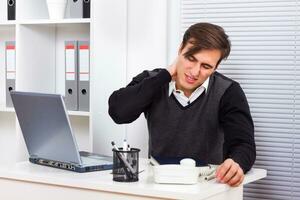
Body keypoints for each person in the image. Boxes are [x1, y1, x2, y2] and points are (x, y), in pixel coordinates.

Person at [108, 22, 256, 187]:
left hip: (206, 187)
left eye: (206, 66)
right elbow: (118, 112)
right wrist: (165, 75)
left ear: (216, 67)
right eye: (190, 58)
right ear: (180, 50)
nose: (194, 72)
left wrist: (236, 163)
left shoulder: (228, 91)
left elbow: (244, 144)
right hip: (158, 184)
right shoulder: (153, 81)